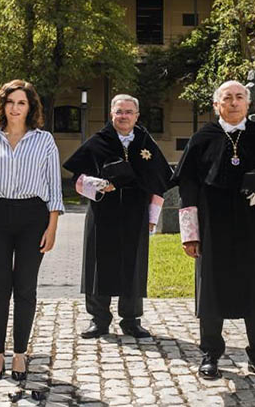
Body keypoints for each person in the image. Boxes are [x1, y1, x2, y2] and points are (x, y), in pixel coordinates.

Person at [173, 80, 255, 381]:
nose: (234, 102)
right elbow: (187, 189)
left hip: (253, 226)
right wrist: (190, 234)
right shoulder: (202, 138)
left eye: (240, 97)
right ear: (216, 105)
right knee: (212, 290)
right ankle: (211, 354)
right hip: (213, 226)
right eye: (227, 98)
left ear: (248, 104)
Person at [0, 80, 63, 383]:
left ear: (30, 107)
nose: (15, 108)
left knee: (25, 288)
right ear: (2, 105)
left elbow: (55, 189)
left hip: (32, 218)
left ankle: (20, 354)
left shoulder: (45, 141)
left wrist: (52, 228)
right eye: (10, 102)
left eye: (22, 102)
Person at [63, 94, 172, 339]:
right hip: (103, 213)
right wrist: (98, 184)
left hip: (135, 213)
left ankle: (131, 320)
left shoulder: (147, 144)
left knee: (133, 265)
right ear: (111, 114)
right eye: (119, 111)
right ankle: (98, 319)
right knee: (98, 264)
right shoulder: (98, 142)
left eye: (129, 112)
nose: (124, 116)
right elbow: (76, 179)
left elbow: (159, 182)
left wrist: (152, 217)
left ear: (137, 116)